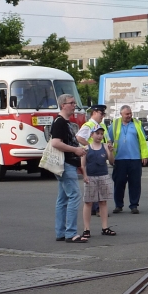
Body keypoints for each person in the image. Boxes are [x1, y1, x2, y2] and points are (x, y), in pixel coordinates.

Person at [50, 94, 88, 243]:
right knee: (74, 196)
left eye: (74, 103)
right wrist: (75, 150)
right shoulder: (60, 122)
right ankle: (71, 233)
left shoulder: (64, 122)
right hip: (65, 164)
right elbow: (55, 143)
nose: (74, 105)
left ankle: (60, 232)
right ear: (63, 105)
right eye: (71, 103)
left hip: (66, 164)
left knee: (63, 198)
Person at [108, 105, 148, 214]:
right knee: (119, 182)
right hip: (120, 159)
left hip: (135, 158)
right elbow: (108, 140)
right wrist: (109, 155)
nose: (129, 116)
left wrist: (144, 155)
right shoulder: (115, 124)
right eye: (127, 114)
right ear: (121, 114)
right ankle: (118, 205)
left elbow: (143, 141)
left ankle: (134, 205)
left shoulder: (137, 124)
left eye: (130, 113)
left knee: (135, 182)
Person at [81, 125, 116, 238]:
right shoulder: (86, 148)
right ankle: (86, 229)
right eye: (97, 134)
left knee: (103, 201)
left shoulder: (105, 147)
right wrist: (85, 175)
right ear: (92, 135)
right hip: (91, 177)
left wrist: (110, 152)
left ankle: (105, 227)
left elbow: (111, 161)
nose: (99, 136)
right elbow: (82, 164)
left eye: (101, 134)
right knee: (88, 202)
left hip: (103, 176)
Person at [76, 104, 109, 216]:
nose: (103, 116)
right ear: (94, 112)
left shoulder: (100, 125)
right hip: (91, 157)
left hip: (99, 157)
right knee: (94, 181)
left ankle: (96, 208)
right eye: (101, 113)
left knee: (98, 182)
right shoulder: (89, 125)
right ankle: (97, 208)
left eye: (104, 114)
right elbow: (79, 137)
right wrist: (91, 147)